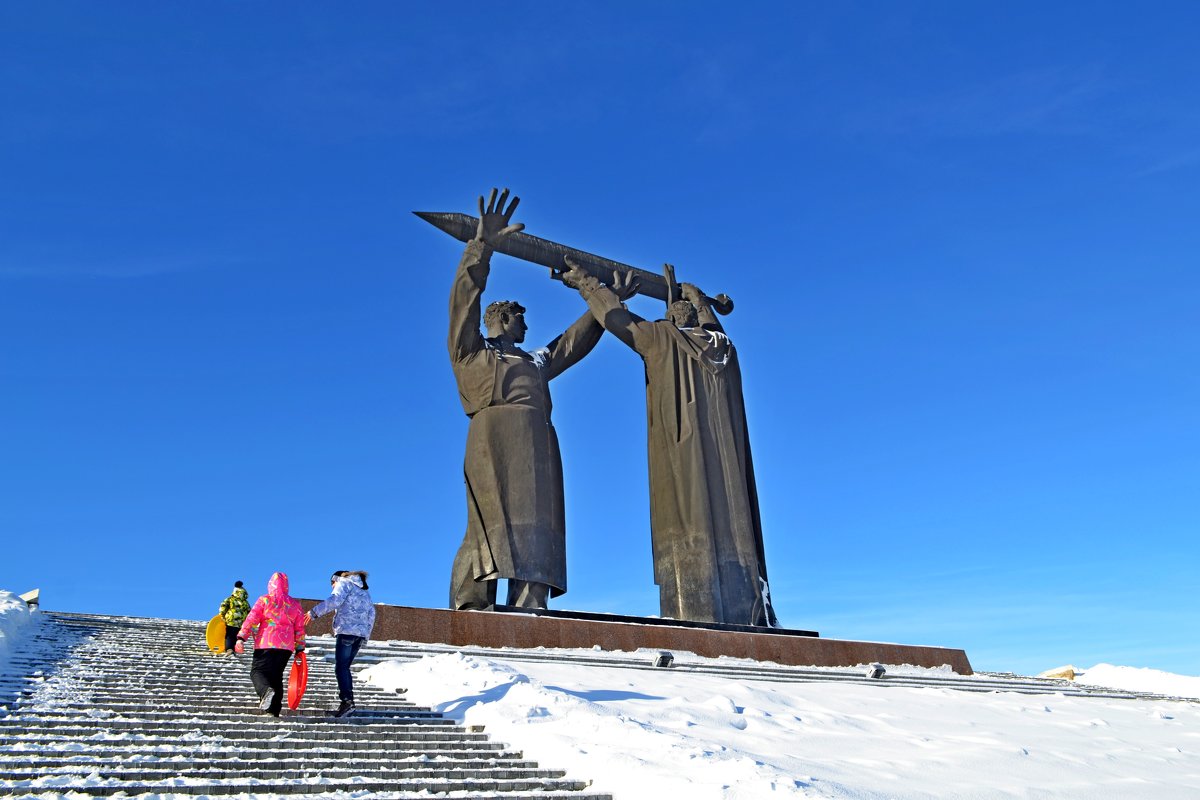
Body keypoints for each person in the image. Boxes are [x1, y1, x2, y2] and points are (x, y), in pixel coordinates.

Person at [562, 260, 778, 627]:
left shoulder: (662, 339)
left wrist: (587, 284)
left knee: (684, 520)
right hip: (728, 471)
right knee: (733, 530)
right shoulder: (725, 349)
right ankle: (748, 613)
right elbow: (714, 329)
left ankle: (698, 613)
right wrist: (701, 301)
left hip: (684, 456)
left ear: (673, 320)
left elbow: (617, 319)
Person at [447, 188, 604, 611]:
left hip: (538, 441)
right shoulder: (473, 352)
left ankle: (530, 606)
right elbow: (463, 304)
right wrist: (482, 248)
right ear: (500, 319)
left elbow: (571, 344)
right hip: (491, 436)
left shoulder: (535, 361)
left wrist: (604, 303)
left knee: (537, 526)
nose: (526, 326)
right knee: (487, 522)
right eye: (521, 318)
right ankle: (472, 606)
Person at [305, 570, 375, 718]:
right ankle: (348, 703)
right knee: (344, 667)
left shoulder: (344, 583)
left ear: (335, 579)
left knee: (341, 667)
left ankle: (347, 702)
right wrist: (365, 637)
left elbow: (335, 600)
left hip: (347, 631)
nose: (332, 588)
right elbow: (371, 613)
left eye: (332, 584)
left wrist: (313, 613)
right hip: (359, 634)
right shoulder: (363, 591)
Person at [235, 572, 306, 717]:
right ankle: (273, 710)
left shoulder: (265, 600)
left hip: (266, 643)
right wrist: (300, 647)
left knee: (257, 672)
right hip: (286, 647)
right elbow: (299, 628)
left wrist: (241, 637)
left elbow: (251, 619)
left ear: (270, 584)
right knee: (276, 676)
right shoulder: (294, 604)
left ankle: (265, 691)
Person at [217, 580, 250, 655]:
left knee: (229, 636)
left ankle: (229, 649)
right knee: (236, 636)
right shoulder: (245, 603)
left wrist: (221, 615)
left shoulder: (230, 599)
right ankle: (235, 649)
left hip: (231, 621)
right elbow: (249, 612)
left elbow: (223, 606)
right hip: (241, 623)